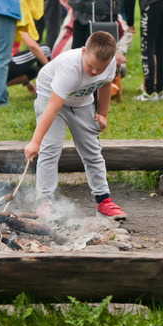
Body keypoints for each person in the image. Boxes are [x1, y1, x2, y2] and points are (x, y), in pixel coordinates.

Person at [23, 31, 127, 221]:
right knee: (50, 148)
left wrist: (103, 114)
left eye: (100, 68)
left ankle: (103, 200)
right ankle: (44, 201)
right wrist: (35, 142)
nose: (94, 72)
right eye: (91, 66)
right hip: (50, 98)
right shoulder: (69, 68)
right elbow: (53, 108)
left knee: (92, 150)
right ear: (83, 52)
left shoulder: (109, 63)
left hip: (81, 101)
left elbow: (105, 85)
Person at [0, 24, 50, 94]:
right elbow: (32, 46)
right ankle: (45, 89)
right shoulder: (16, 22)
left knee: (32, 71)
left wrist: (27, 82)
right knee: (44, 49)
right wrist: (51, 72)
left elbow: (16, 51)